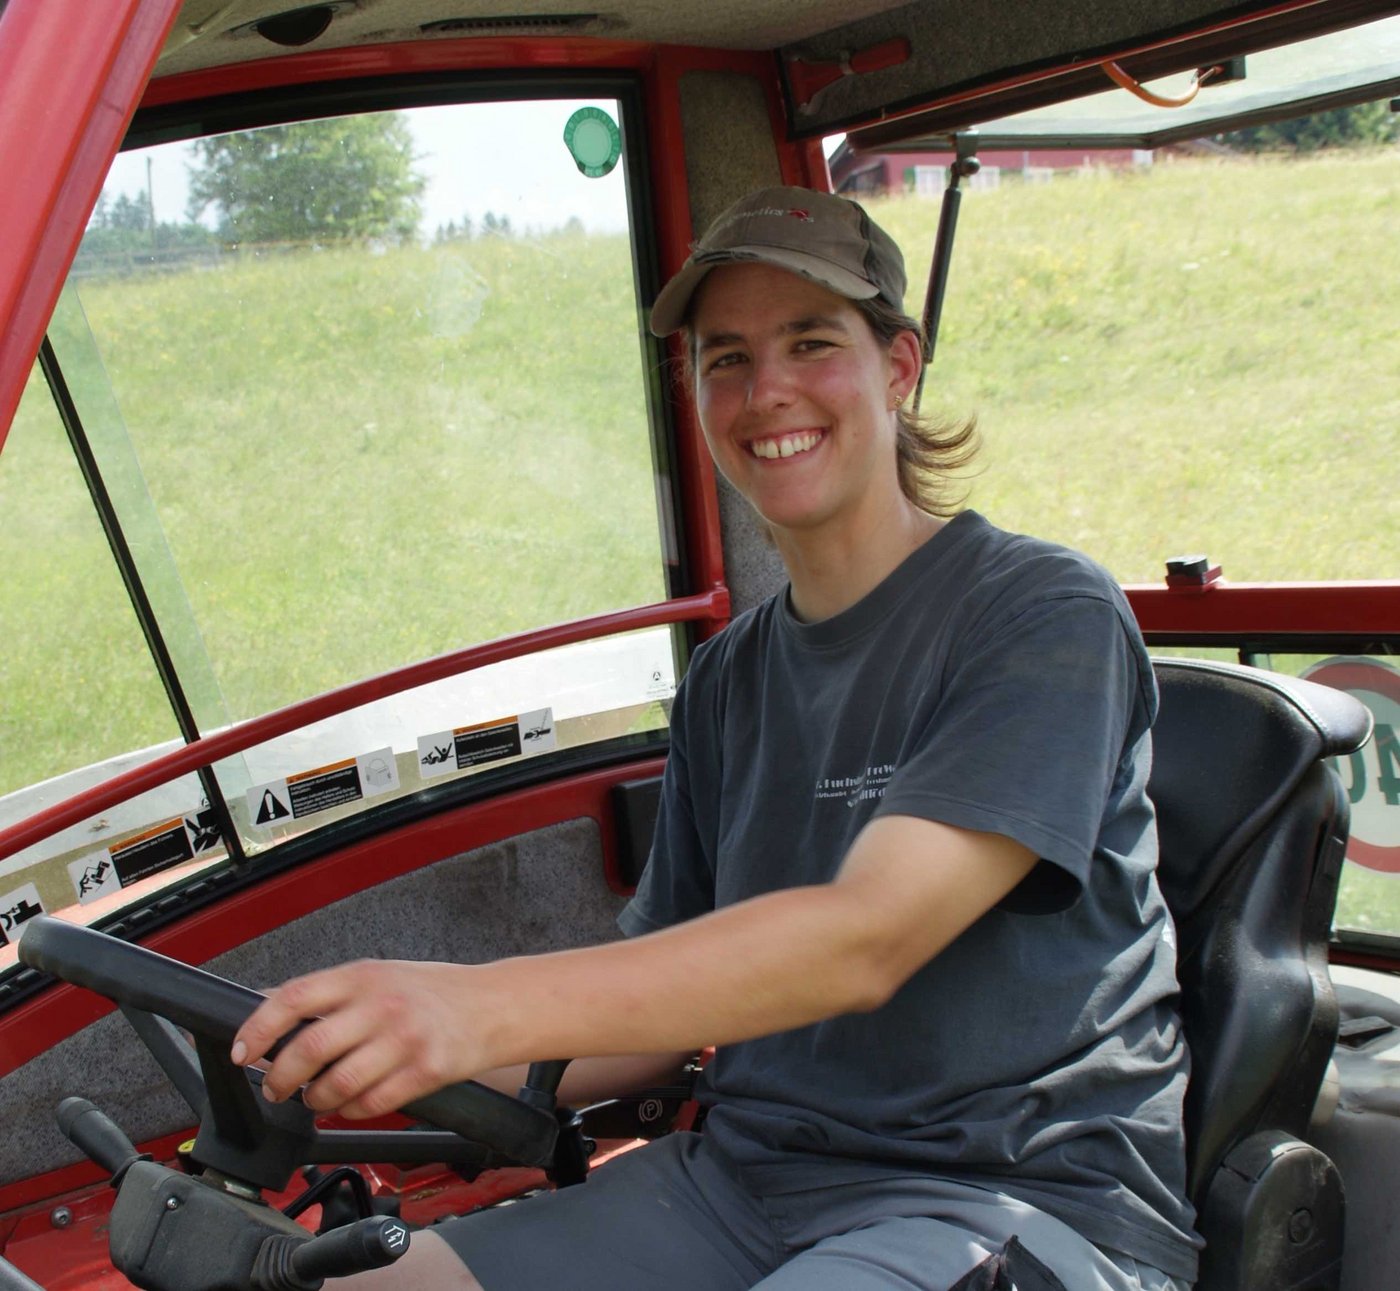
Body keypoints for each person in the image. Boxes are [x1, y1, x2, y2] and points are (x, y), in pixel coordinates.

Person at [233, 187, 1202, 1290]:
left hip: (1009, 1196)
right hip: (743, 1184)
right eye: (726, 358)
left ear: (898, 367)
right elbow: (650, 1027)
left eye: (810, 342)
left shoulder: (1037, 611)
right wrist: (349, 1044)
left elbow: (865, 939)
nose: (765, 389)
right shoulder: (727, 679)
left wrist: (474, 1006)